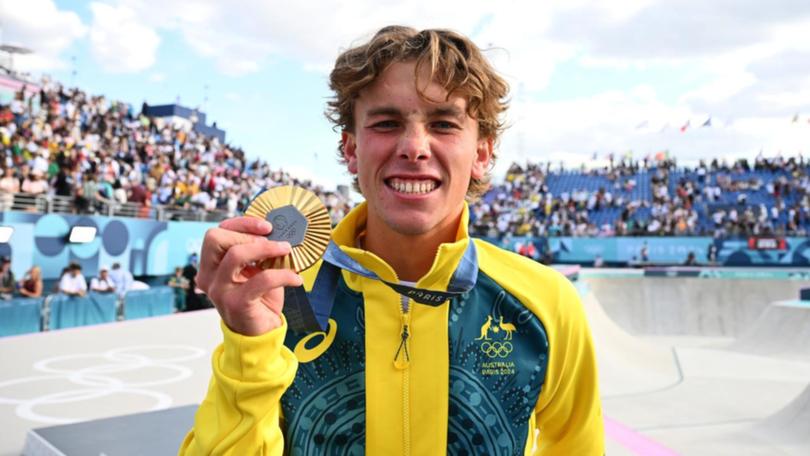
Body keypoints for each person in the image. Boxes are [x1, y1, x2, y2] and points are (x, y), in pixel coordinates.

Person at [181, 26, 603, 455]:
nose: (414, 147)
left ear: (481, 154)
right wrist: (247, 343)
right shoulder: (285, 296)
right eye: (386, 123)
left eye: (443, 123)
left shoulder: (545, 305)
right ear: (351, 149)